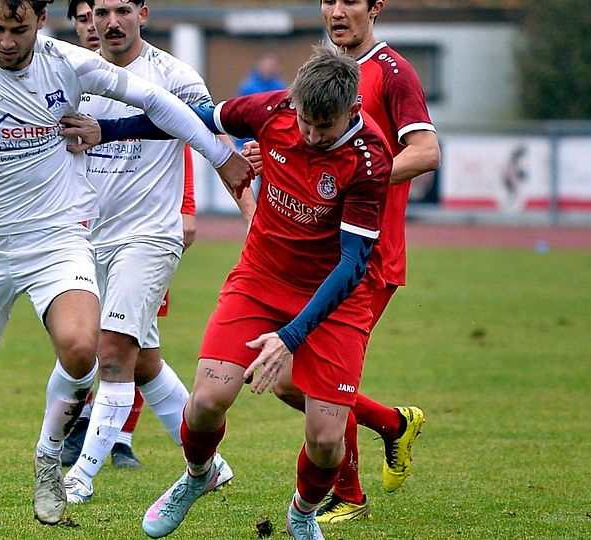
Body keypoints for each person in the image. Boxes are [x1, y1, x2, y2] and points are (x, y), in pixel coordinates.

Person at [0, 0, 253, 536]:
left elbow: (157, 101)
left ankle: (50, 456)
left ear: (41, 20)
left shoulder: (70, 62)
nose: (6, 41)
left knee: (83, 349)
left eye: (18, 29)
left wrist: (221, 156)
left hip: (58, 238)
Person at [67, 45, 393, 539]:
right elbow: (186, 118)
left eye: (324, 127)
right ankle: (199, 474)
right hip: (259, 281)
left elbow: (352, 265)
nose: (310, 135)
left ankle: (302, 513)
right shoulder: (272, 108)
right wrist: (108, 130)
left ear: (353, 110)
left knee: (328, 442)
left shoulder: (369, 160)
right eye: (305, 122)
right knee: (204, 403)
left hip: (335, 299)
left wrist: (289, 337)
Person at [244, 0, 441, 524]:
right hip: (315, 256)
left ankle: (349, 494)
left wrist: (359, 180)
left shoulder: (393, 71)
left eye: (349, 0)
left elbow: (426, 152)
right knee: (290, 380)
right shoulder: (325, 71)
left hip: (368, 258)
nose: (336, 10)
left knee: (306, 379)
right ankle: (392, 425)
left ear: (374, 8)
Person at [61, 0, 253, 504]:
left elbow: (211, 134)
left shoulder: (174, 75)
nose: (111, 22)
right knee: (143, 361)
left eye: (123, 10)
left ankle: (80, 476)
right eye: (101, 12)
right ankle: (209, 466)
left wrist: (248, 201)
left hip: (149, 236)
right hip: (88, 237)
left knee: (111, 353)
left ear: (143, 14)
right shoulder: (75, 76)